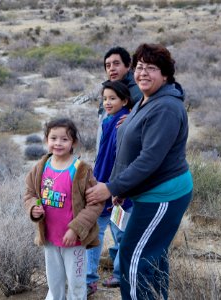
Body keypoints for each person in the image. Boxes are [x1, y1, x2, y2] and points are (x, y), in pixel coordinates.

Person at [86, 43, 193, 300]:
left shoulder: (165, 107)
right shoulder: (146, 100)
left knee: (134, 256)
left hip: (162, 196)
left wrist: (112, 186)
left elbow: (149, 160)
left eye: (152, 68)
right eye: (141, 67)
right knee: (152, 256)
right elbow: (132, 150)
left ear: (165, 75)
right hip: (147, 192)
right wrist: (124, 188)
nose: (143, 73)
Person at [24, 118, 104, 300]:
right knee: (54, 283)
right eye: (53, 138)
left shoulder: (81, 170)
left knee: (76, 284)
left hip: (73, 241)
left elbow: (95, 203)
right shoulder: (40, 167)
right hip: (50, 238)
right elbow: (30, 194)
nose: (58, 143)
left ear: (73, 142)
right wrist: (34, 208)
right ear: (46, 140)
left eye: (64, 139)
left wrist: (75, 229)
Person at [86, 81, 134, 296]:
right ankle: (91, 277)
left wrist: (117, 188)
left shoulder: (124, 122)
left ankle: (116, 275)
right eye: (105, 98)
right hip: (101, 185)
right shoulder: (108, 121)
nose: (107, 102)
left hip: (116, 189)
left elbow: (123, 159)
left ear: (124, 101)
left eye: (112, 98)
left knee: (119, 232)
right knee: (97, 230)